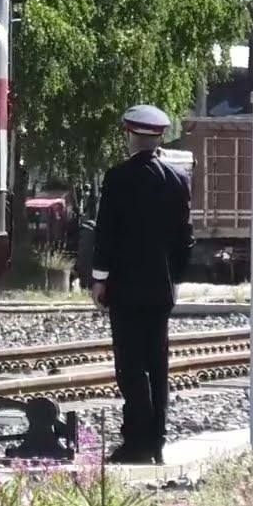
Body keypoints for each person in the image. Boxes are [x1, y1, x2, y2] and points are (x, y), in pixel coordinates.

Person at [89, 104, 194, 465]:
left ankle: (135, 442)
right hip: (162, 288)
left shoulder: (118, 177)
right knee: (158, 364)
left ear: (130, 136)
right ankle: (157, 441)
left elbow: (107, 234)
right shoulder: (177, 179)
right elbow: (185, 238)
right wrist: (176, 278)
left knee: (131, 367)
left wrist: (99, 278)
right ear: (160, 136)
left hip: (126, 288)